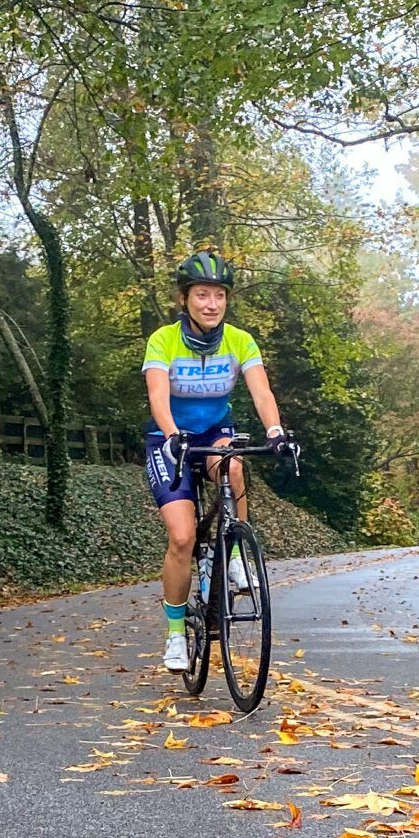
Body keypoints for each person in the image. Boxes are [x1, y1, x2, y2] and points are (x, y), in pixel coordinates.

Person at [142, 252, 300, 672]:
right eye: (201, 295)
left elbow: (262, 393)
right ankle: (176, 634)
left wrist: (275, 431)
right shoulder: (163, 340)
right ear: (185, 299)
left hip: (215, 433)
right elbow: (158, 397)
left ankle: (234, 557)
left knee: (232, 464)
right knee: (182, 537)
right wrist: (173, 436)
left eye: (219, 295)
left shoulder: (240, 340)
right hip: (169, 437)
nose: (211, 303)